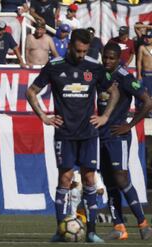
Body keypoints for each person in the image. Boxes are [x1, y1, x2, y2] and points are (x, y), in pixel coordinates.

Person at [26, 29, 119, 243]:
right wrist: (43, 116)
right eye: (78, 50)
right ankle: (60, 230)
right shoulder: (54, 66)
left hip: (88, 134)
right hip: (65, 133)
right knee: (65, 179)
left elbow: (114, 92)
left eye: (84, 51)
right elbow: (31, 91)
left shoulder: (94, 67)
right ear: (69, 46)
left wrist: (104, 117)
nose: (80, 55)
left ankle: (92, 231)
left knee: (89, 179)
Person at [98, 42, 152, 240]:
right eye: (105, 57)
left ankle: (143, 223)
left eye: (112, 58)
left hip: (118, 134)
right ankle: (119, 227)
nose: (107, 61)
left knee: (121, 177)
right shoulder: (100, 74)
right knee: (109, 180)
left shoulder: (125, 77)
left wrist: (130, 125)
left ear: (119, 58)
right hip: (101, 133)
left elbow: (147, 101)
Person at [137, 30, 152, 98]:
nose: (148, 39)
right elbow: (139, 61)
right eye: (147, 37)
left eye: (150, 37)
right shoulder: (142, 48)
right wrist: (139, 74)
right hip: (146, 74)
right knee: (147, 95)